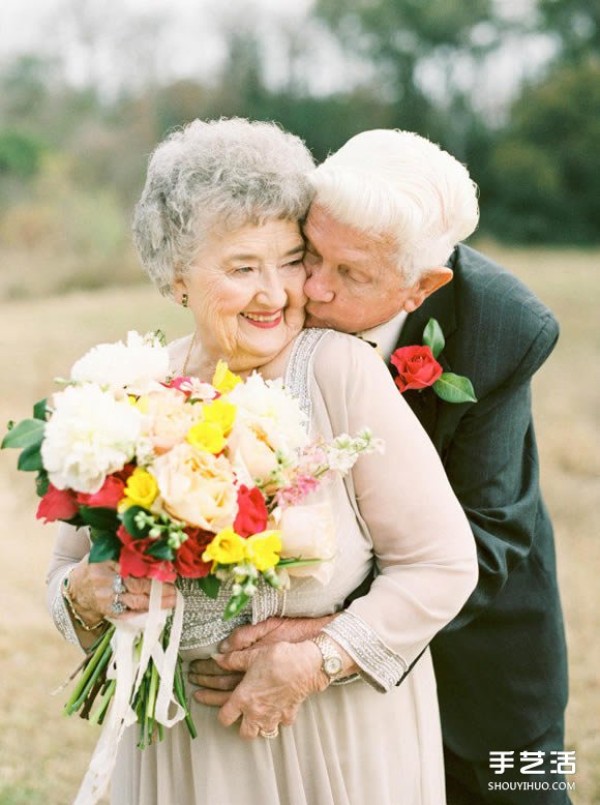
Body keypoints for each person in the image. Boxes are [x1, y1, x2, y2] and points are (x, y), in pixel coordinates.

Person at [46, 118, 478, 805]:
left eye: (291, 258)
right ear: (177, 277)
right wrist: (86, 593)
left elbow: (442, 563)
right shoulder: (128, 388)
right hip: (178, 752)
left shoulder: (340, 372)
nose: (277, 292)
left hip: (330, 748)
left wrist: (315, 660)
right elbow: (67, 572)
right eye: (244, 267)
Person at [191, 130, 570, 804]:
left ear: (422, 285)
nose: (310, 287)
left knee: (525, 788)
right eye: (312, 252)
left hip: (484, 650)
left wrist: (330, 633)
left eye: (351, 274)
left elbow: (490, 534)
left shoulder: (506, 326)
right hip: (339, 713)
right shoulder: (280, 301)